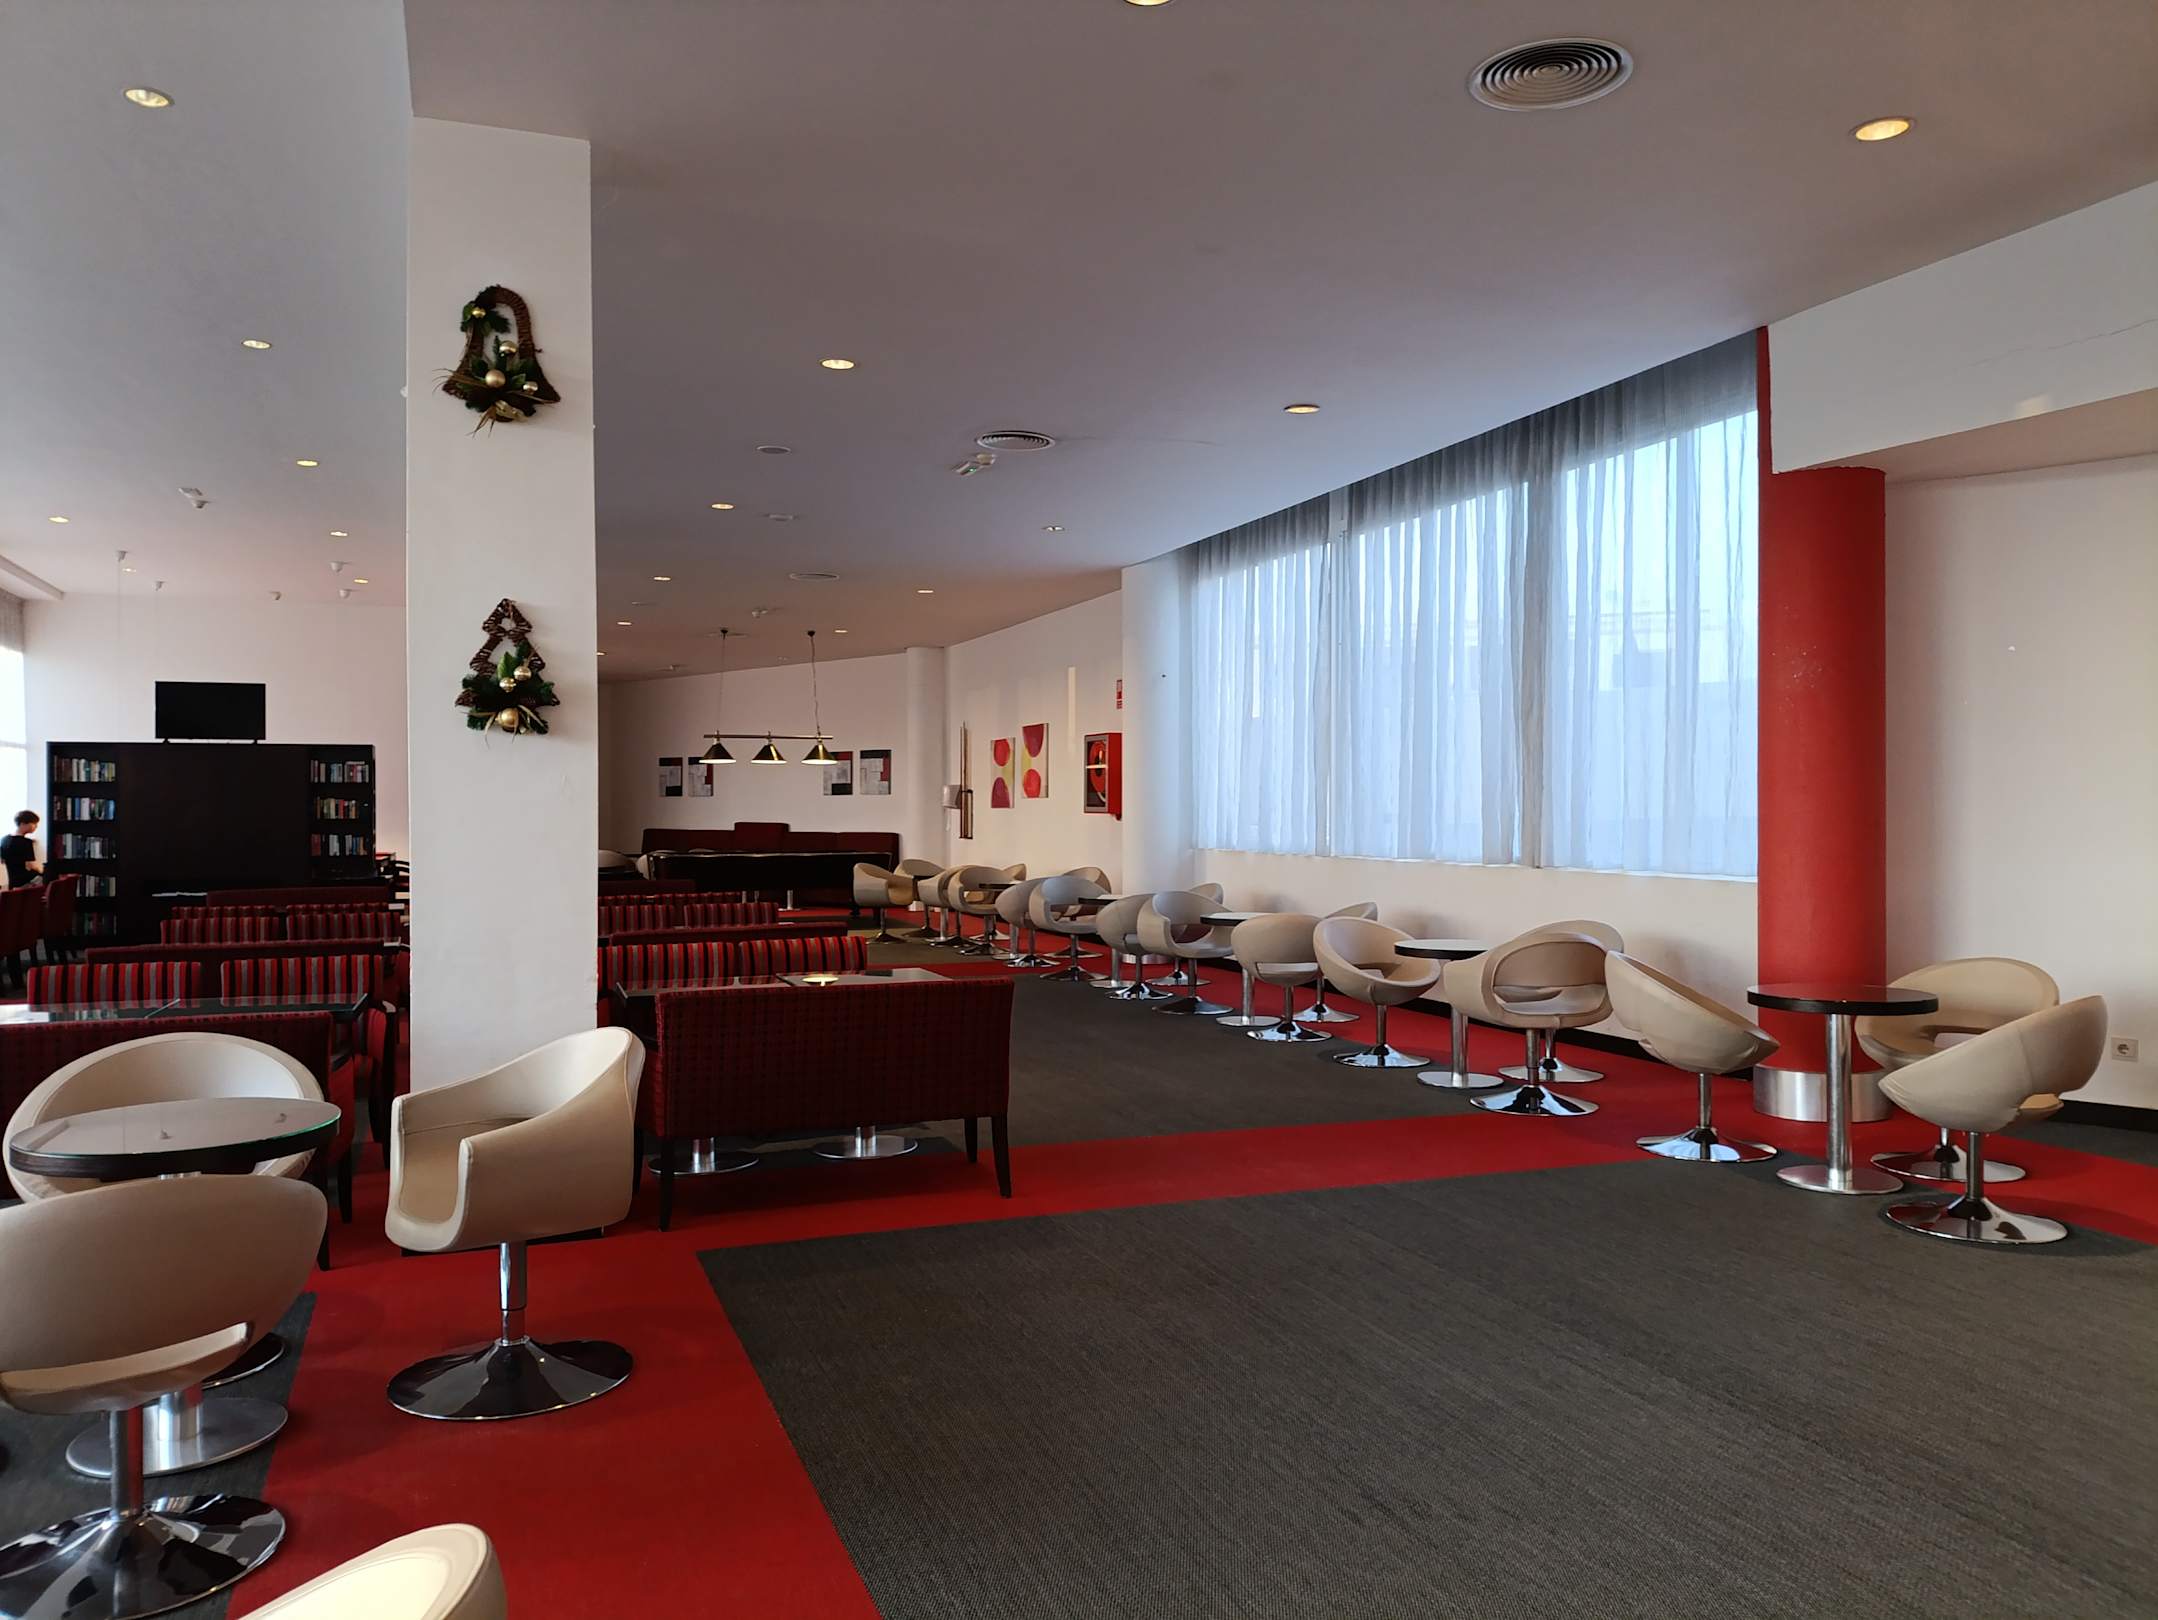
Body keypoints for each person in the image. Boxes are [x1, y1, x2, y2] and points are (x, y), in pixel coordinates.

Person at [2, 810, 41, 888]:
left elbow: (3, 860)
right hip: (25, 881)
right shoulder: (26, 842)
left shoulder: (4, 839)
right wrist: (41, 871)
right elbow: (31, 866)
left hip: (13, 882)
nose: (36, 826)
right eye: (34, 823)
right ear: (23, 824)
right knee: (50, 880)